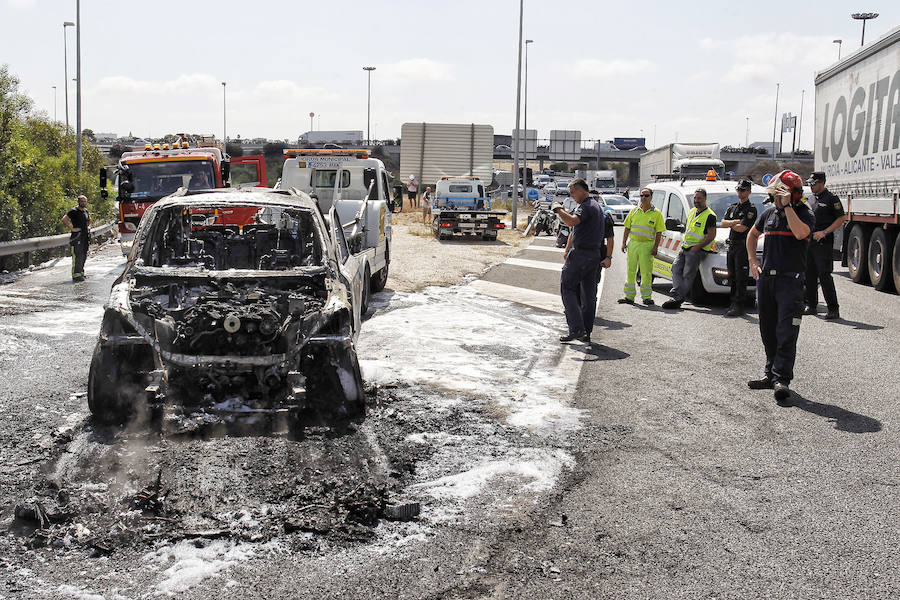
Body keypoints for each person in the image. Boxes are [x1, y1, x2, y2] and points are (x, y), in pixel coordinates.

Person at [745, 170, 814, 401]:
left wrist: (788, 208)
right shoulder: (768, 214)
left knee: (786, 332)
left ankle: (781, 379)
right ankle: (770, 374)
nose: (775, 198)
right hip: (767, 280)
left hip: (791, 282)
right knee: (768, 329)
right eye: (775, 195)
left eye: (779, 194)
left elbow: (800, 233)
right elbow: (752, 235)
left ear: (792, 194)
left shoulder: (805, 214)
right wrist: (753, 261)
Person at [551, 178, 609, 343]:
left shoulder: (586, 206)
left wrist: (558, 209)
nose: (571, 195)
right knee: (588, 295)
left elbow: (571, 221)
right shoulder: (596, 206)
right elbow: (576, 230)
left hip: (581, 255)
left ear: (581, 190)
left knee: (567, 288)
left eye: (572, 192)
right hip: (593, 256)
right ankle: (586, 332)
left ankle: (576, 328)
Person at [662, 188, 717, 309]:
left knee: (688, 274)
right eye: (695, 198)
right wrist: (684, 246)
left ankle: (678, 296)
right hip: (686, 247)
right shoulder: (692, 211)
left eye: (699, 198)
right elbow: (689, 231)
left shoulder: (710, 215)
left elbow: (711, 236)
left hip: (698, 250)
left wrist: (697, 247)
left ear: (705, 199)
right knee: (675, 268)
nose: (696, 201)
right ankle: (677, 293)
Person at [804, 171, 845, 319]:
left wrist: (825, 232)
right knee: (809, 275)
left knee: (824, 276)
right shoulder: (810, 198)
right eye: (810, 183)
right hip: (810, 242)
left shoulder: (831, 199)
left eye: (813, 183)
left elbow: (841, 218)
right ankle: (811, 305)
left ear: (822, 183)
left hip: (823, 243)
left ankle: (833, 309)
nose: (811, 186)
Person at [618, 187, 665, 306]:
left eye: (646, 195)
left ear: (651, 197)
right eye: (642, 195)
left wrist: (655, 247)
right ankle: (629, 296)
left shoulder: (657, 214)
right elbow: (627, 227)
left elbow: (659, 232)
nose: (643, 198)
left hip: (647, 245)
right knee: (630, 270)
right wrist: (623, 243)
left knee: (646, 272)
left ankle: (646, 297)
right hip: (633, 244)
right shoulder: (634, 211)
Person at [721, 179, 759, 316]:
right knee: (732, 275)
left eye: (743, 190)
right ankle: (733, 302)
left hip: (742, 246)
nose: (740, 192)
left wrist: (732, 224)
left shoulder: (751, 209)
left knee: (741, 277)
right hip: (731, 245)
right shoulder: (732, 207)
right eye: (738, 189)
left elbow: (742, 228)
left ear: (749, 192)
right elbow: (723, 223)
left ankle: (739, 304)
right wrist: (734, 222)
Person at [61, 195, 91, 282]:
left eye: (85, 201)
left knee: (83, 256)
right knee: (77, 256)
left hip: (85, 237)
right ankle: (76, 275)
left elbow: (89, 220)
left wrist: (89, 227)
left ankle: (81, 273)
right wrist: (72, 229)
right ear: (78, 202)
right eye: (82, 201)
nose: (84, 203)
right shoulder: (73, 211)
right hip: (77, 238)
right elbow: (64, 219)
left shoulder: (85, 211)